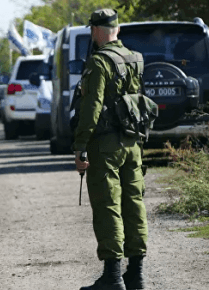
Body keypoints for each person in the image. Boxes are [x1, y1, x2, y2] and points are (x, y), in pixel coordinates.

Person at [74, 9, 150, 290]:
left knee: (108, 206)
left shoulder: (99, 62)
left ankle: (113, 277)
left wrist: (81, 146)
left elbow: (91, 107)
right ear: (117, 30)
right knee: (134, 205)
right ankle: (136, 274)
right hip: (132, 143)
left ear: (95, 31)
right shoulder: (135, 58)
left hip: (105, 147)